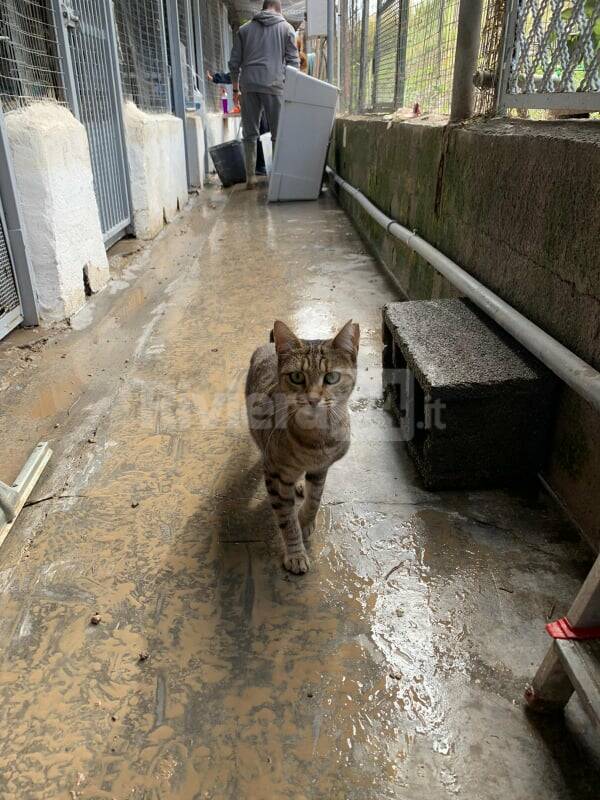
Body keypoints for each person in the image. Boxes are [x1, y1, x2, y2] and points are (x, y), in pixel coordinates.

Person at [228, 0, 299, 189]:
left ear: (263, 8)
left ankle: (250, 178)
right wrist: (291, 88)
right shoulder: (286, 28)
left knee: (250, 134)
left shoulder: (244, 30)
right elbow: (293, 62)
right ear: (279, 8)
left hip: (248, 85)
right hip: (274, 85)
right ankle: (276, 178)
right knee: (277, 133)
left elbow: (234, 63)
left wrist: (235, 89)